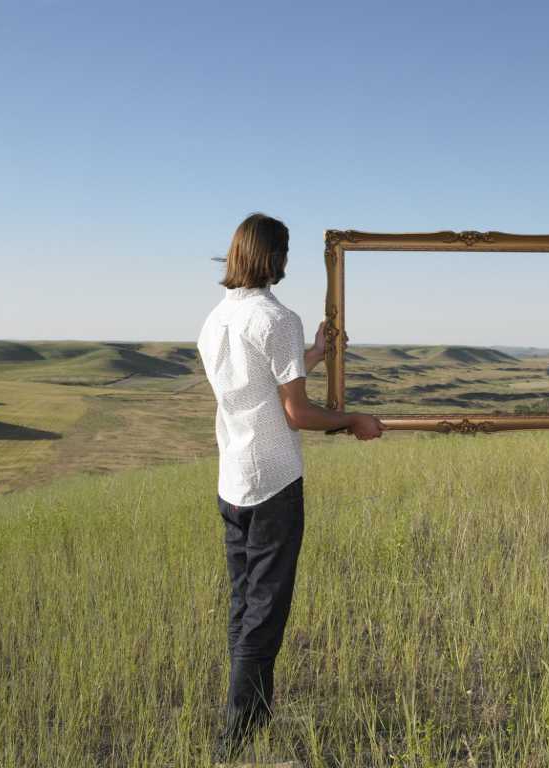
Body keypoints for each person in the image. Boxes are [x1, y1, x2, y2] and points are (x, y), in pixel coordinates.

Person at [197, 213, 385, 760]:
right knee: (265, 609)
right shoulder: (278, 318)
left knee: (243, 603)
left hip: (232, 477)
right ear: (274, 258)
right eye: (285, 252)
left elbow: (262, 384)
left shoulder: (215, 320)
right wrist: (353, 421)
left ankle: (250, 720)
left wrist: (317, 355)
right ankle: (236, 738)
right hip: (274, 479)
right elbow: (297, 412)